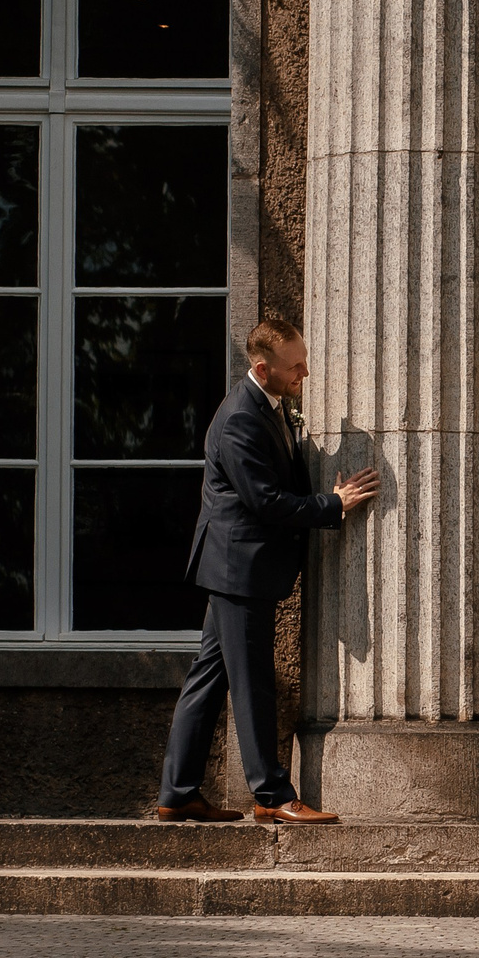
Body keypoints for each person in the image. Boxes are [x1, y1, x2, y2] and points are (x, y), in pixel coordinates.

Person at [156, 317, 380, 825]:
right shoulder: (239, 417)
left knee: (208, 680)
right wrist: (332, 503)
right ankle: (273, 797)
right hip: (239, 569)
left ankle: (177, 792)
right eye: (295, 365)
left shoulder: (270, 404)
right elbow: (265, 501)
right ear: (263, 368)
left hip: (236, 567)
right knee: (253, 681)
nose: (305, 371)